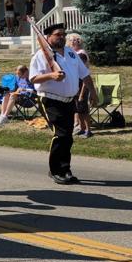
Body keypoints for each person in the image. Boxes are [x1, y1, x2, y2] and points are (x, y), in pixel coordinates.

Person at [29, 23, 88, 184]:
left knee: (67, 136)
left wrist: (93, 93)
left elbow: (84, 73)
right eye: (58, 34)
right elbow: (33, 78)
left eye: (63, 34)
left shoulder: (70, 53)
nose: (62, 37)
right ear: (48, 37)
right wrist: (51, 76)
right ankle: (55, 170)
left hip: (69, 101)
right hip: (50, 100)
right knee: (60, 134)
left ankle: (65, 169)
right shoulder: (41, 55)